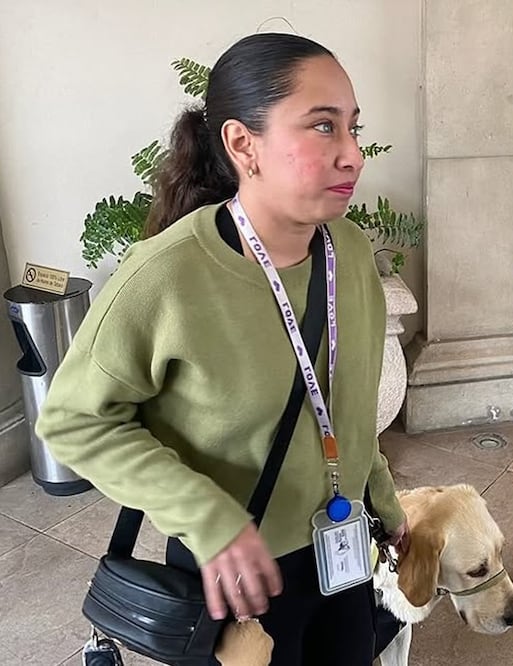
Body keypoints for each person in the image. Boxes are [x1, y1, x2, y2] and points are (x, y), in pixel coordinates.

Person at [35, 32, 408, 665]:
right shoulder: (166, 275)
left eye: (353, 127)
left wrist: (383, 498)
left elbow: (344, 406)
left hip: (343, 550)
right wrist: (209, 519)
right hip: (237, 575)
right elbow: (72, 421)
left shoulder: (348, 250)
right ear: (242, 144)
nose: (352, 155)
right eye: (322, 127)